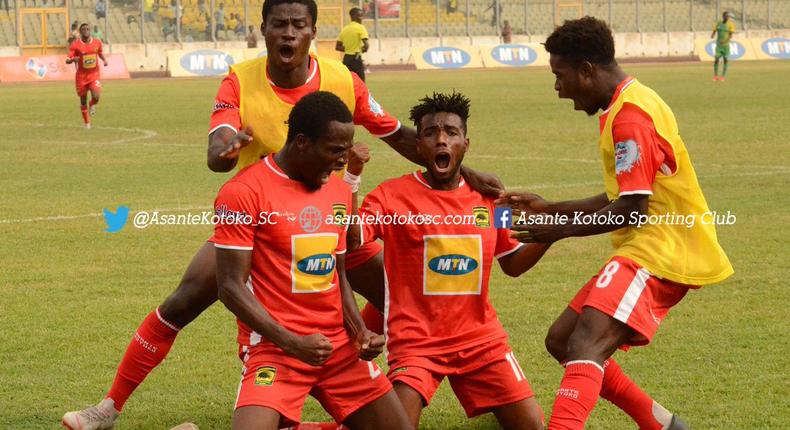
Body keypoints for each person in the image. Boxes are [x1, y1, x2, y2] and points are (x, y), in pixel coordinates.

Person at [61, 0, 502, 428]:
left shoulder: (342, 80)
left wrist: (463, 171)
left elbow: (399, 136)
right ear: (264, 29)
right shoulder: (239, 80)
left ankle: (375, 367)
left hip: (324, 219)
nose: (288, 33)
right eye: (279, 24)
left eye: (298, 24)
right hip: (256, 224)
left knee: (399, 296)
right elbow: (218, 149)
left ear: (313, 31)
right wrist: (226, 151)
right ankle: (109, 407)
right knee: (183, 302)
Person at [496, 16, 733, 429]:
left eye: (559, 76)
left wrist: (559, 230)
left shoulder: (630, 118)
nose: (557, 89)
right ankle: (660, 423)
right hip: (650, 244)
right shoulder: (628, 103)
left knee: (586, 341)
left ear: (587, 71)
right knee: (563, 341)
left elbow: (630, 210)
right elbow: (622, 196)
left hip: (662, 248)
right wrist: (552, 208)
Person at [349, 91, 549, 429]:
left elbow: (512, 262)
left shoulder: (491, 201)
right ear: (418, 147)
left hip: (481, 341)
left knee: (533, 426)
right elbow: (352, 238)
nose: (442, 139)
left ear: (465, 144)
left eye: (451, 133)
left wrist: (549, 232)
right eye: (430, 133)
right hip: (416, 342)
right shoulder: (390, 196)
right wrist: (351, 177)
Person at [213, 91, 412, 430]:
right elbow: (230, 287)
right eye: (336, 150)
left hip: (337, 348)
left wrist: (360, 331)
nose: (343, 160)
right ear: (302, 142)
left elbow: (338, 275)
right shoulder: (243, 192)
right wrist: (291, 341)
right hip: (275, 349)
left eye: (347, 150)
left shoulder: (336, 192)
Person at [65, 23, 108, 130]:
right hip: (81, 77)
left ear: (90, 31)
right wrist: (72, 60)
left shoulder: (97, 42)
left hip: (94, 75)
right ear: (80, 32)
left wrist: (104, 59)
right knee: (83, 100)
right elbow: (67, 59)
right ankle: (87, 123)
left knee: (96, 96)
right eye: (83, 29)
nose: (86, 30)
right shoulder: (75, 45)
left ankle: (92, 103)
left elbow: (100, 53)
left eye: (88, 29)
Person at [335, 7, 368, 81]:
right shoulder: (360, 27)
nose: (361, 18)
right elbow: (366, 45)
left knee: (347, 81)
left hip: (346, 59)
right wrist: (363, 49)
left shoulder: (345, 29)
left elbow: (337, 47)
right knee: (361, 81)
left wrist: (348, 48)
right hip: (356, 58)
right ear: (353, 16)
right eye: (359, 16)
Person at [710, 11, 736, 81]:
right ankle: (715, 76)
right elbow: (715, 29)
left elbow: (730, 36)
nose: (727, 17)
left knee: (726, 60)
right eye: (726, 16)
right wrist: (713, 34)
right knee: (716, 59)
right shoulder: (719, 23)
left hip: (725, 46)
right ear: (723, 16)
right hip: (719, 46)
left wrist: (724, 41)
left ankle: (722, 76)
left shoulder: (730, 24)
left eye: (728, 16)